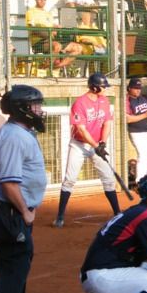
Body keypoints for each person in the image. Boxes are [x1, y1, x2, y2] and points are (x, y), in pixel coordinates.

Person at [0, 85, 47, 293]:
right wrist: (25, 211)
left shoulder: (21, 132)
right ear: (23, 108)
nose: (39, 110)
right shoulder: (13, 137)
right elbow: (10, 184)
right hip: (11, 211)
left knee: (21, 259)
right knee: (14, 267)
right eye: (35, 105)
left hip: (16, 211)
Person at [54, 72, 121, 228]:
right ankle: (60, 216)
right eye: (103, 87)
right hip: (79, 144)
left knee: (108, 179)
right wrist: (97, 146)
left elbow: (107, 123)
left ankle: (118, 213)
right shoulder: (80, 103)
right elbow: (82, 131)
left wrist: (103, 143)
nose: (106, 89)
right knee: (70, 179)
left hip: (97, 144)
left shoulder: (104, 101)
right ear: (95, 87)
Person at [126, 76, 147, 182]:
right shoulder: (127, 100)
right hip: (136, 132)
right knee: (143, 154)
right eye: (135, 88)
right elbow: (128, 119)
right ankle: (140, 181)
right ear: (129, 88)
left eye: (139, 88)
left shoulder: (142, 98)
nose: (138, 90)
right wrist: (146, 115)